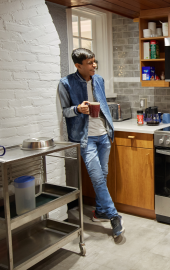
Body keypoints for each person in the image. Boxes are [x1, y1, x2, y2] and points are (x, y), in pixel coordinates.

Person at [58, 48, 124, 238]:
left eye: (94, 61)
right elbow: (64, 111)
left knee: (102, 174)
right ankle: (113, 216)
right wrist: (77, 109)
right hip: (85, 138)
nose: (94, 65)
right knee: (97, 176)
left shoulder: (99, 79)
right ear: (78, 65)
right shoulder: (66, 83)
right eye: (89, 63)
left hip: (103, 135)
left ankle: (101, 212)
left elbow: (102, 103)